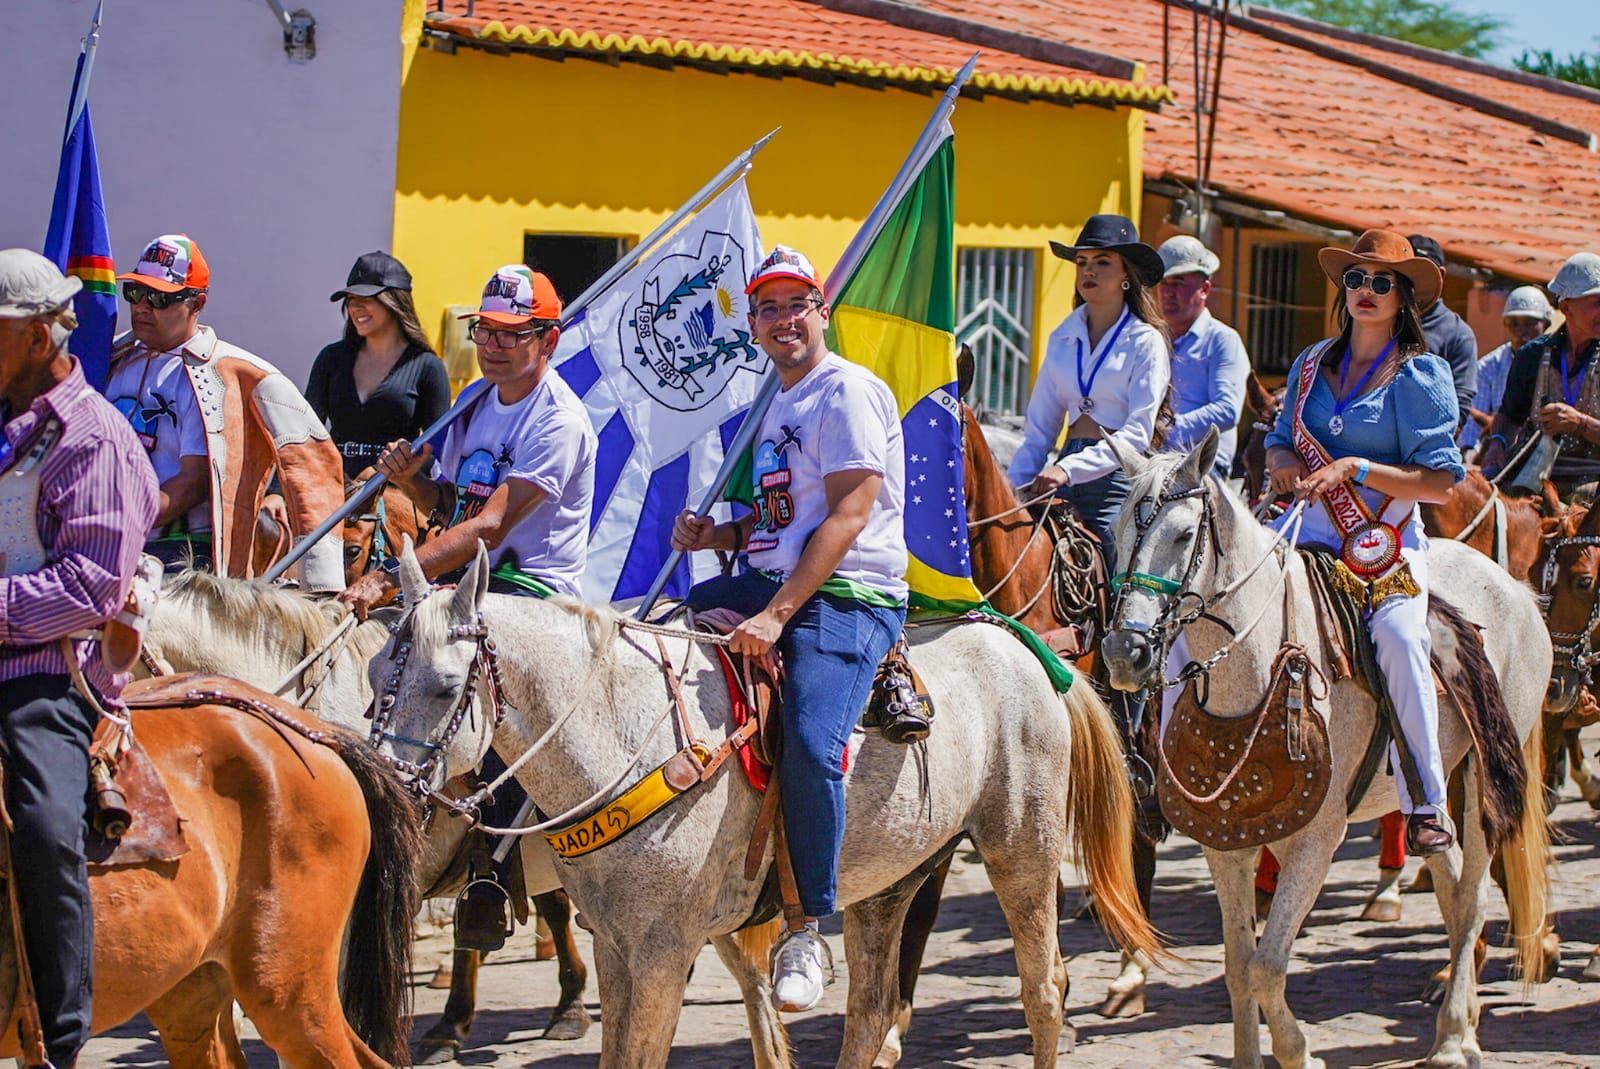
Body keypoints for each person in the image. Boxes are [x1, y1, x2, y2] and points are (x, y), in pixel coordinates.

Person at [670, 246, 908, 1013]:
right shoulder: (776, 402)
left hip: (847, 591)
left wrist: (775, 616)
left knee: (808, 738)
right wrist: (717, 540)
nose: (782, 320)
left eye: (794, 303)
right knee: (654, 636)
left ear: (821, 310)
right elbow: (778, 522)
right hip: (772, 577)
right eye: (767, 309)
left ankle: (808, 924)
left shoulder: (848, 393)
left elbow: (848, 513)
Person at [338, 265, 596, 944]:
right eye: (487, 330)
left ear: (549, 338)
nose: (495, 344)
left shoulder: (560, 419)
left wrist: (394, 575)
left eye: (514, 333)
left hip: (534, 590)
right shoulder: (473, 401)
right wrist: (412, 481)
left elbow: (490, 527)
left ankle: (490, 863)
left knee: (478, 676)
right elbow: (452, 507)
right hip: (467, 586)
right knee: (395, 663)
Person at [0, 249, 160, 1067]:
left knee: (44, 822)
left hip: (48, 676)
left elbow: (92, 584)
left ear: (34, 337)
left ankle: (60, 1037)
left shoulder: (93, 437)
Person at [1263, 230, 1464, 854]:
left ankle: (1426, 799)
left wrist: (1355, 468)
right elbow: (1277, 438)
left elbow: (1440, 484)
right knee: (1211, 599)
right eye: (1356, 279)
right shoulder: (1309, 363)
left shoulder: (1420, 375)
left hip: (1385, 536)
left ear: (1404, 297)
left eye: (1382, 282)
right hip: (1305, 527)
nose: (1366, 291)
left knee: (1403, 638)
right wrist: (1282, 464)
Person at [106, 234, 345, 590]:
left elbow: (194, 481)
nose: (142, 306)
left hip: (180, 553)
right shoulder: (114, 358)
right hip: (106, 542)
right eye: (135, 293)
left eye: (158, 298)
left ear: (196, 303)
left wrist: (114, 522)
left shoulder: (219, 374)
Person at [1008, 213, 1171, 574]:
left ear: (1126, 275)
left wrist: (1068, 469)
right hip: (1060, 471)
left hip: (1116, 479)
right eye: (1081, 263)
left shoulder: (1145, 342)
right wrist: (1011, 490)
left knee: (1119, 575)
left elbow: (1137, 434)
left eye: (1102, 262)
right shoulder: (1062, 337)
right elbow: (1039, 431)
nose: (1088, 272)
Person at [306, 251, 451, 480]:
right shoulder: (331, 358)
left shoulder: (428, 367)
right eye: (351, 300)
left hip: (397, 498)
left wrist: (383, 472)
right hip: (332, 489)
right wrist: (276, 493)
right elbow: (304, 433)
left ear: (394, 302)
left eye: (366, 300)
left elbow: (440, 452)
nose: (355, 308)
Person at [1480, 253, 1600, 502]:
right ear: (1566, 307)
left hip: (1595, 482)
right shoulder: (1532, 356)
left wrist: (1580, 424)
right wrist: (1498, 442)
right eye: (1596, 303)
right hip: (1534, 475)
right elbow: (1509, 415)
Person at [1156, 235, 1249, 478]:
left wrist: (1166, 430)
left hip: (1202, 465)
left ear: (1205, 289)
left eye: (1178, 283)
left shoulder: (1222, 340)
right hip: (1154, 460)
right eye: (1163, 283)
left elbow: (1227, 410)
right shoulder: (1151, 339)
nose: (1167, 292)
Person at [1459, 285, 1552, 453]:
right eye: (1514, 323)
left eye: (1529, 323)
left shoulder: (1561, 361)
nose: (1521, 331)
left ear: (1545, 324)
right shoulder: (1488, 367)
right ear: (1504, 324)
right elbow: (1473, 427)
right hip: (1500, 450)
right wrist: (1469, 452)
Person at [1407, 235, 1477, 434]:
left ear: (1441, 275)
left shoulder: (1458, 334)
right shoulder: (1380, 321)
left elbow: (1459, 412)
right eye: (1407, 270)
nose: (1413, 280)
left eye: (1423, 272)